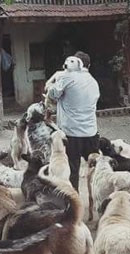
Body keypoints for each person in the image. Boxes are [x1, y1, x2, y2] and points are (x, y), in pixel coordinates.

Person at [46, 51, 100, 190]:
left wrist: (55, 77)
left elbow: (51, 93)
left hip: (71, 134)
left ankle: (74, 205)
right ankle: (96, 199)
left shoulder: (66, 78)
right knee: (95, 171)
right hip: (91, 133)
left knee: (72, 172)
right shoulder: (93, 81)